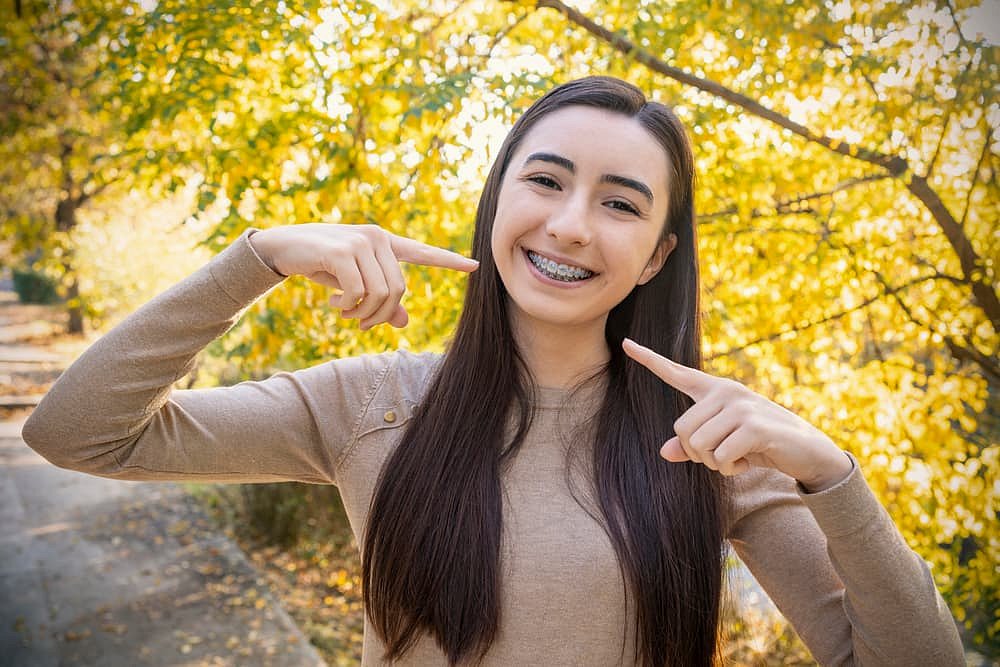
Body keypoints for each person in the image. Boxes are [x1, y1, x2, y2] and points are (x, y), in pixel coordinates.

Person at [23, 76, 963, 666]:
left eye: (620, 204)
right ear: (497, 200)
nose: (569, 224)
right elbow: (77, 432)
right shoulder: (370, 400)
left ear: (657, 255)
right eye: (546, 181)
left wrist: (832, 475)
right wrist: (256, 257)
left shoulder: (711, 440)